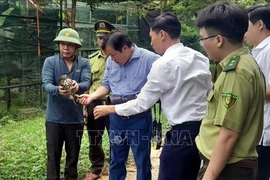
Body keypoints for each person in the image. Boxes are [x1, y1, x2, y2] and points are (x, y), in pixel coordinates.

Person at [80, 12, 212, 180]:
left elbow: (142, 103)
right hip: (202, 130)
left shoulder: (160, 63)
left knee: (157, 166)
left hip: (170, 129)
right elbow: (209, 91)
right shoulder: (200, 57)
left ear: (162, 34)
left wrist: (110, 109)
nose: (151, 42)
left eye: (152, 36)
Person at [195, 2, 266, 180]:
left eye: (202, 39)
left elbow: (228, 136)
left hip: (228, 169)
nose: (202, 45)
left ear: (218, 40)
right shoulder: (245, 61)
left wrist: (208, 177)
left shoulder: (237, 72)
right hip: (228, 166)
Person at [79, 30, 160, 180]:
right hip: (115, 116)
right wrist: (92, 96)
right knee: (116, 158)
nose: (111, 59)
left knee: (141, 160)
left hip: (139, 117)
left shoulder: (150, 59)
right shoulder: (111, 60)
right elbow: (107, 84)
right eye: (109, 56)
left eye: (113, 55)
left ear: (125, 48)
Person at [42, 28, 91, 180]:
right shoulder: (50, 62)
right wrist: (58, 90)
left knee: (73, 157)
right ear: (59, 45)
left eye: (70, 45)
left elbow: (86, 82)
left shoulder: (84, 63)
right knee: (53, 157)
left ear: (76, 47)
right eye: (63, 44)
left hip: (75, 119)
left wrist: (78, 86)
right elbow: (46, 84)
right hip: (54, 119)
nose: (66, 48)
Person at [83, 20, 115, 180]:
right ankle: (96, 169)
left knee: (115, 136)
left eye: (105, 37)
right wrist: (85, 107)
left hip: (113, 103)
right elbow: (87, 84)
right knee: (94, 138)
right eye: (99, 38)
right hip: (95, 103)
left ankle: (115, 165)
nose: (101, 40)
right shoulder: (91, 60)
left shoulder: (117, 57)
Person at [245, 4, 270, 180]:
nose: (244, 32)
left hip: (266, 132)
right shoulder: (258, 51)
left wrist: (245, 92)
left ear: (259, 24)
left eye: (247, 26)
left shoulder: (268, 50)